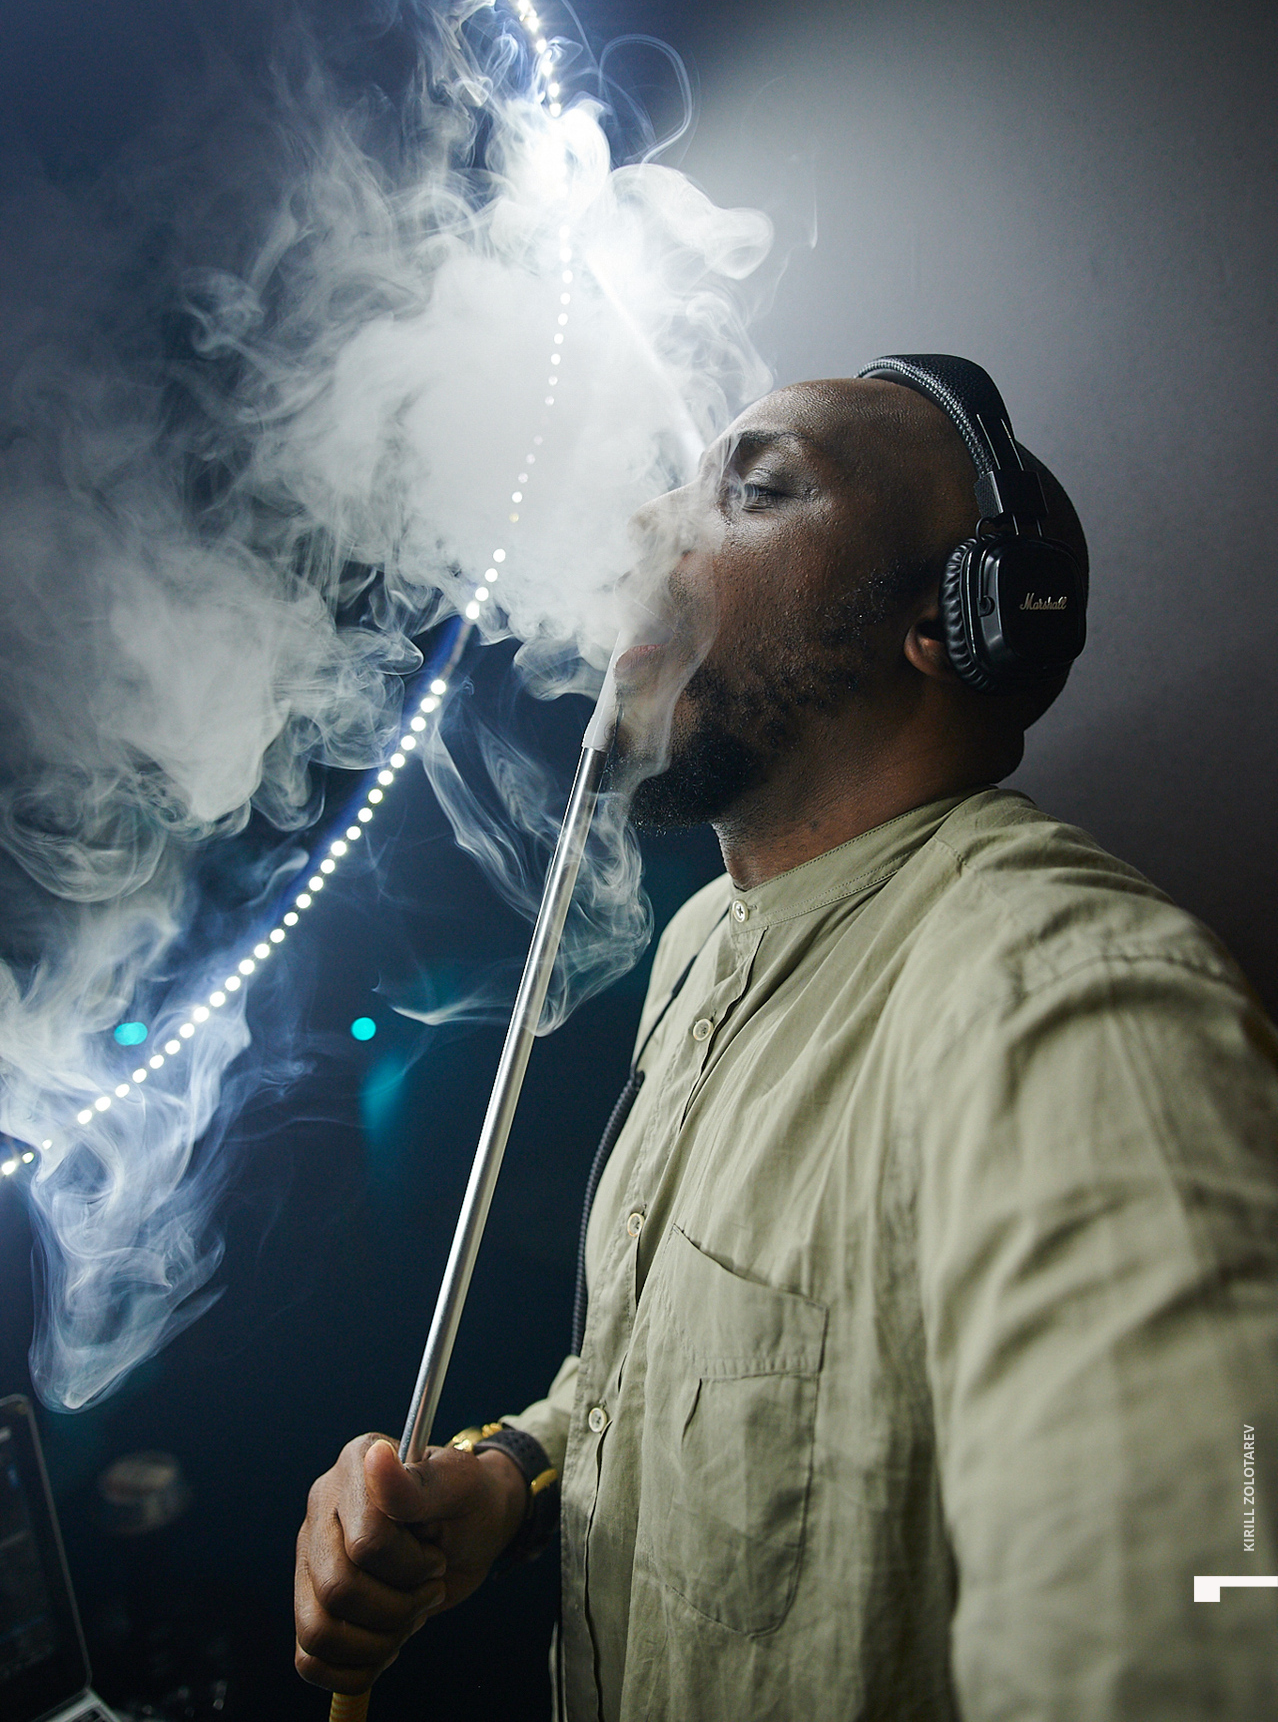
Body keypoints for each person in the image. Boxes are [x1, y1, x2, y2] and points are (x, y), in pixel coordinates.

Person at [294, 360, 1278, 1719]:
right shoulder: (705, 941)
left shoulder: (1064, 997)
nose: (649, 527)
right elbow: (704, 1377)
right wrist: (505, 1478)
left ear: (951, 620)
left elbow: (1218, 1601)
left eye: (755, 491)